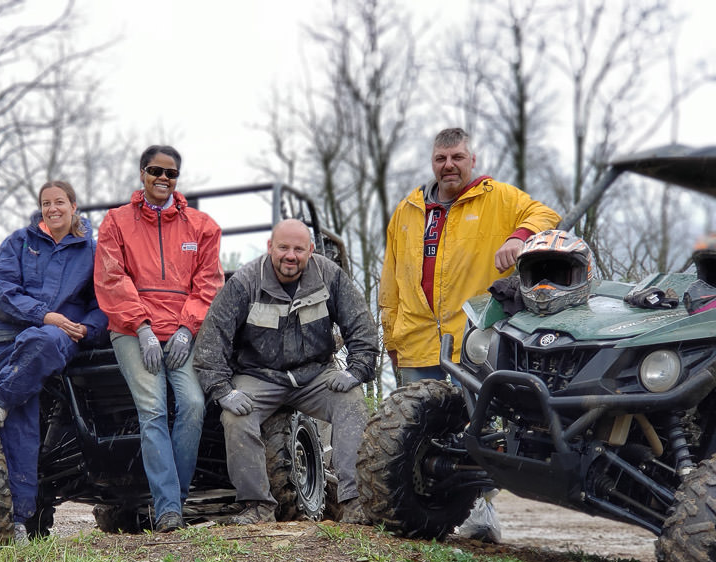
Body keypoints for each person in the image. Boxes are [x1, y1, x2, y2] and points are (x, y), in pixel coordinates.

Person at [379, 127, 559, 540]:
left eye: (457, 157)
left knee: (471, 429)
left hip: (472, 338)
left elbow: (545, 215)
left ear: (472, 159)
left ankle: (480, 509)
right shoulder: (407, 211)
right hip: (416, 337)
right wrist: (391, 336)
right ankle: (420, 513)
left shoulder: (496, 197)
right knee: (415, 429)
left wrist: (518, 238)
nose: (449, 166)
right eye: (441, 159)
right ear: (432, 162)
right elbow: (389, 281)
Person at [194, 218, 378, 525]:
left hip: (316, 375)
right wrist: (223, 391)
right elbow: (211, 343)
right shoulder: (244, 282)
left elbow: (362, 326)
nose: (290, 255)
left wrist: (358, 370)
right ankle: (257, 506)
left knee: (352, 403)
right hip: (258, 375)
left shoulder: (329, 276)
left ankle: (355, 503)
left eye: (298, 249)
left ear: (311, 250)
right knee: (235, 417)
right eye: (282, 247)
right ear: (270, 247)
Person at [94, 145, 224, 533]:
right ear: (142, 173)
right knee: (152, 409)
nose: (163, 179)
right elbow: (111, 279)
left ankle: (174, 500)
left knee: (194, 405)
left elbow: (209, 284)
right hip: (133, 330)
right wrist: (142, 327)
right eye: (156, 171)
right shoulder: (115, 222)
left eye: (171, 174)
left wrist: (187, 329)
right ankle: (169, 511)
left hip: (182, 331)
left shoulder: (202, 226)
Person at [0, 180, 107, 541]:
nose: (53, 209)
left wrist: (88, 329)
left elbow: (103, 304)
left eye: (60, 202)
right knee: (22, 424)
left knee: (45, 338)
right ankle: (19, 521)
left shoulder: (91, 251)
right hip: (7, 341)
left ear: (74, 206)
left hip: (61, 338)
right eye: (46, 203)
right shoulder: (19, 243)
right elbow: (1, 289)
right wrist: (42, 313)